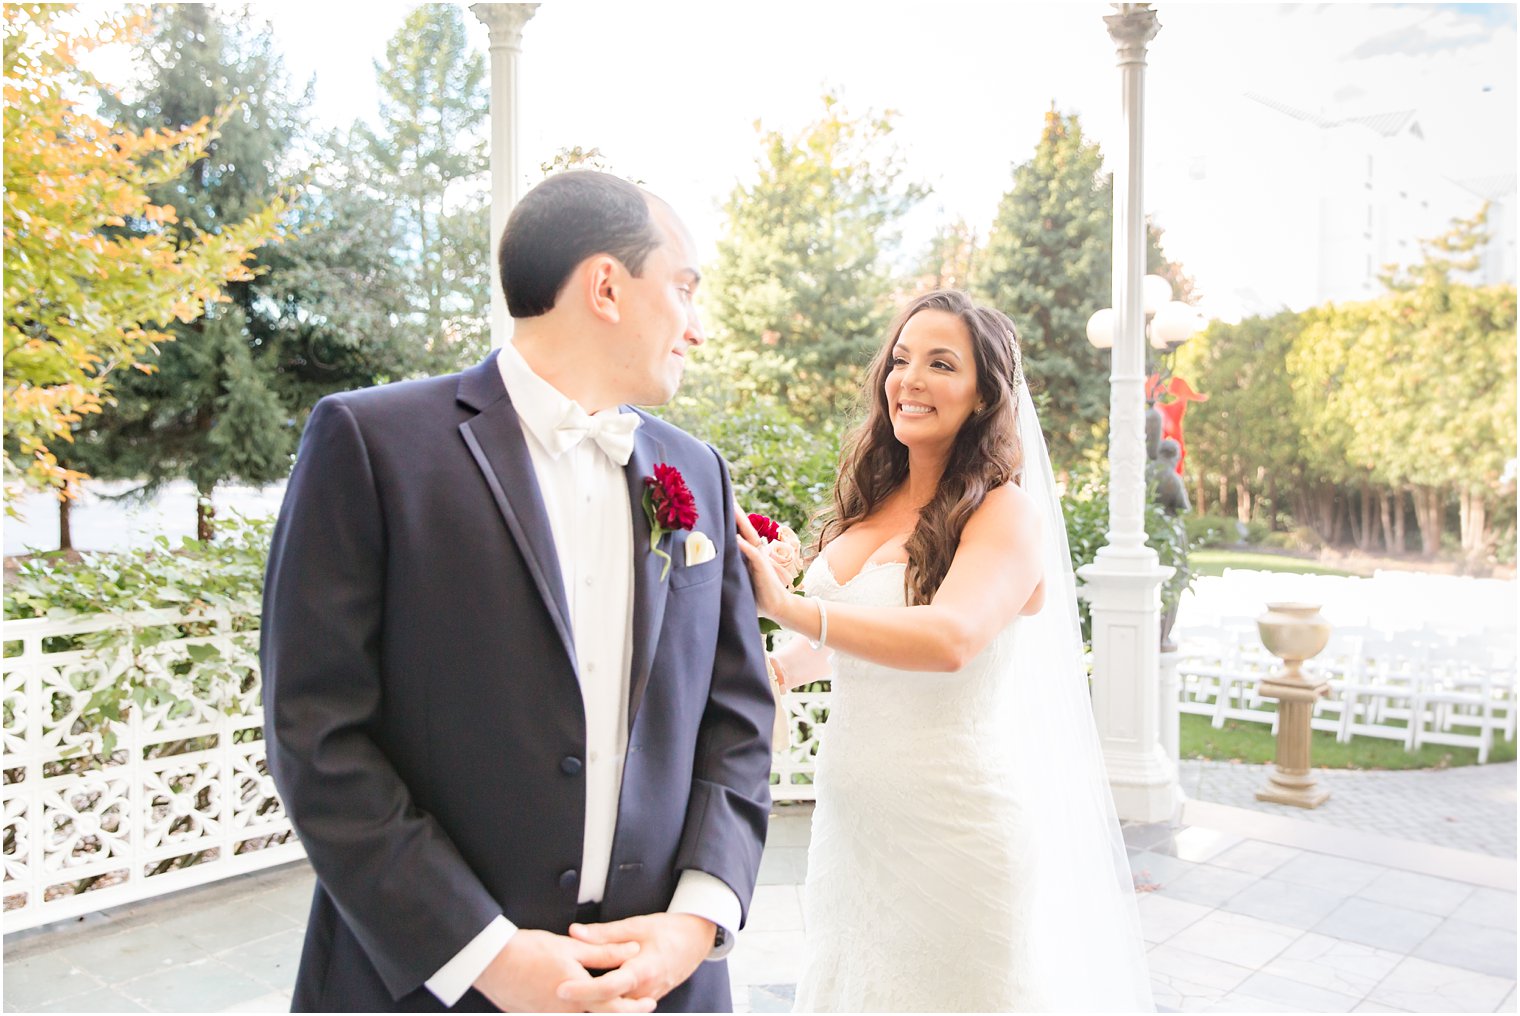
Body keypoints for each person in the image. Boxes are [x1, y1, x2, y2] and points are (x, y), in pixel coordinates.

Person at [262, 171, 775, 1013]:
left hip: (665, 986)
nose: (698, 327)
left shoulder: (697, 474)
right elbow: (316, 732)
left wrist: (696, 921)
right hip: (433, 984)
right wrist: (485, 954)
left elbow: (738, 714)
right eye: (684, 289)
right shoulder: (371, 443)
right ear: (607, 285)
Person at [740, 289, 1154, 1012]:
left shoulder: (1005, 512)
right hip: (854, 832)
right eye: (901, 360)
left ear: (985, 394)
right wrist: (778, 664)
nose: (911, 379)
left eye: (941, 364)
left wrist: (787, 607)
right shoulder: (869, 503)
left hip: (953, 833)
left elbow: (952, 639)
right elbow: (850, 650)